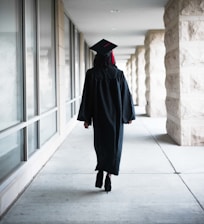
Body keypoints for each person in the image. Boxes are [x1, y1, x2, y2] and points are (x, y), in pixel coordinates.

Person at [77, 39, 135, 192]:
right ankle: (109, 175)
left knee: (101, 146)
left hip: (99, 118)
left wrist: (87, 118)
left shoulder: (91, 74)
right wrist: (127, 115)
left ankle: (101, 169)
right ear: (110, 57)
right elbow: (125, 96)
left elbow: (87, 96)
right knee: (114, 147)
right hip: (115, 119)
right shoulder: (118, 74)